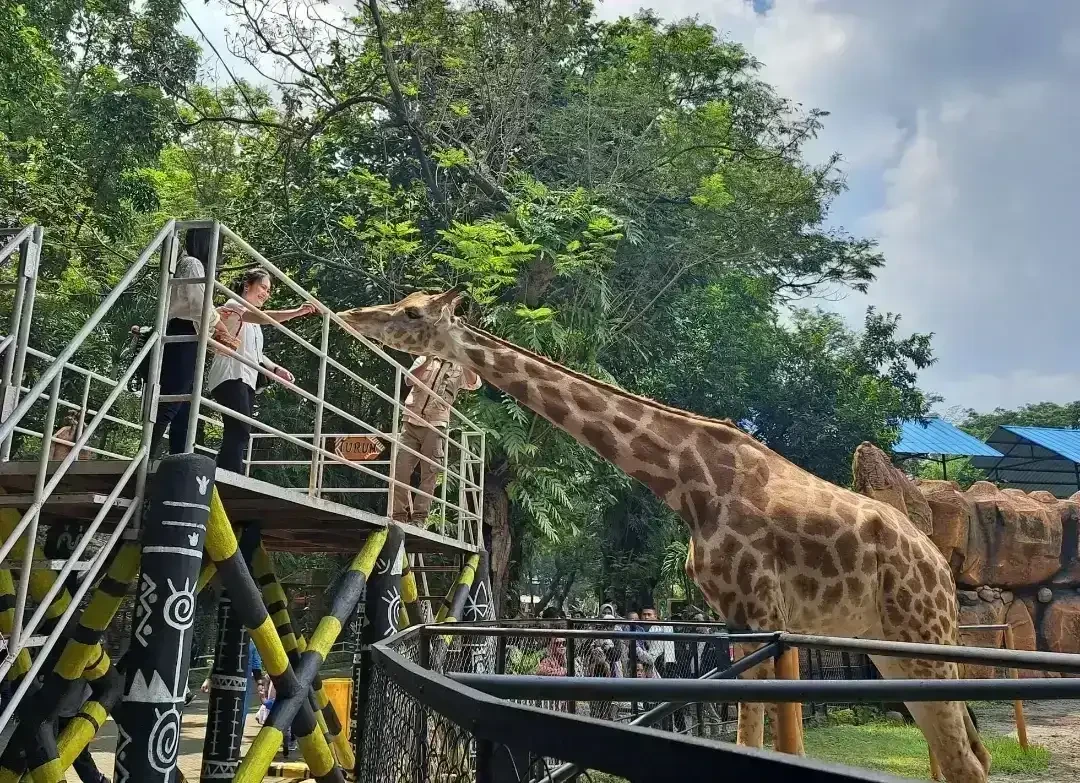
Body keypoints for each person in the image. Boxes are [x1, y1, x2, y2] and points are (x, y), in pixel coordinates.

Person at [207, 268, 316, 472]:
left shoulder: (253, 323)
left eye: (268, 290)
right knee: (239, 430)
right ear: (247, 285)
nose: (266, 293)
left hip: (246, 379)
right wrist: (297, 311)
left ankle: (219, 473)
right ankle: (230, 477)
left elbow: (255, 354)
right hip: (230, 376)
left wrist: (274, 368)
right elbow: (265, 317)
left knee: (238, 431)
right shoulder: (234, 306)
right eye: (263, 287)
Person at [150, 227, 240, 458]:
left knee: (184, 402)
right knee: (174, 398)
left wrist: (216, 316)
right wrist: (219, 326)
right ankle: (148, 453)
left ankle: (177, 455)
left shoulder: (191, 264)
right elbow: (199, 306)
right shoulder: (193, 264)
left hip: (186, 331)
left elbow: (196, 305)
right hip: (182, 333)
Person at [390, 354, 481, 526]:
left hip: (436, 424)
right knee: (400, 469)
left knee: (429, 474)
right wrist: (428, 361)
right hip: (411, 421)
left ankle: (419, 518)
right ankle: (399, 516)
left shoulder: (459, 367)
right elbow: (409, 380)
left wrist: (463, 359)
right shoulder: (424, 358)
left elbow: (474, 383)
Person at [55, 682, 107, 783]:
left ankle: (95, 779)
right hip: (61, 709)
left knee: (79, 753)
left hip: (75, 711)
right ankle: (95, 779)